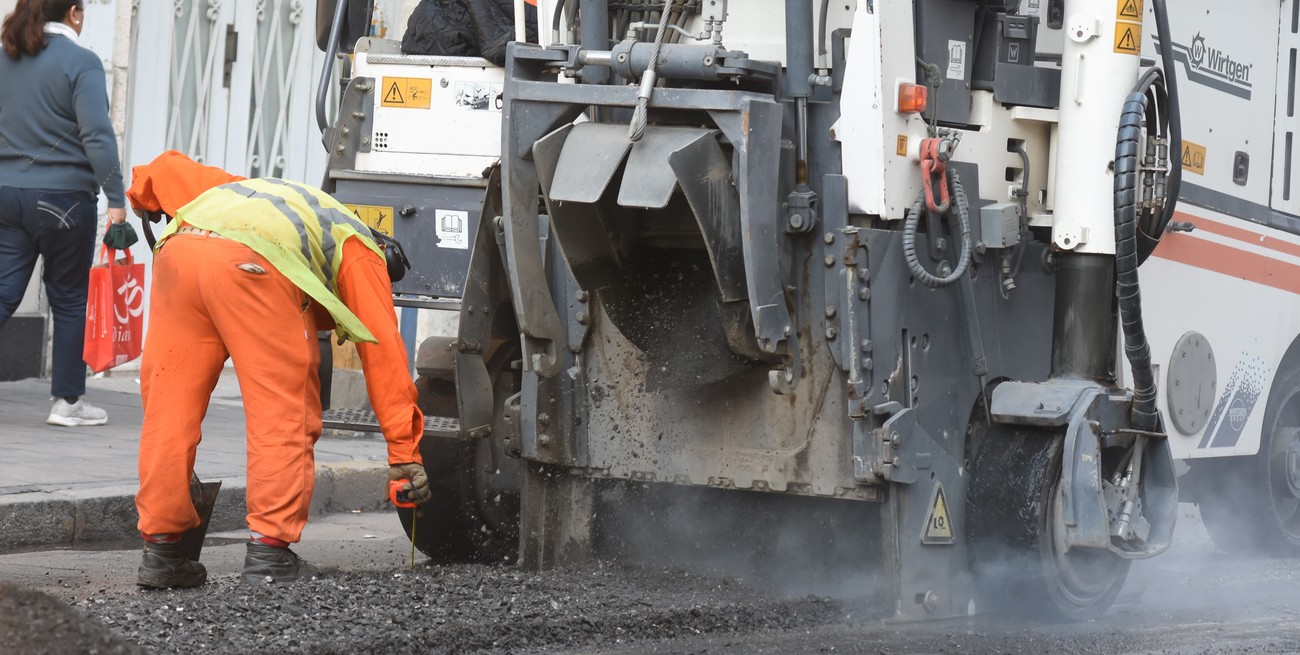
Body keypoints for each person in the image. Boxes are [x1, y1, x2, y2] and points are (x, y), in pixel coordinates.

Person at [125, 151, 432, 588]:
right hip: (252, 267)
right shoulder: (361, 251)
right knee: (283, 412)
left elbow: (161, 172)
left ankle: (163, 553)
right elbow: (384, 358)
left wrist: (141, 197)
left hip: (179, 254)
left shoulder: (266, 196)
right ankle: (269, 554)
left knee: (168, 412)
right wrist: (404, 456)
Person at [0, 0, 126, 427]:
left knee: (3, 292)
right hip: (65, 199)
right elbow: (97, 135)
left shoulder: (6, 56)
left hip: (7, 194)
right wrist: (116, 197)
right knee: (70, 299)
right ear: (74, 13)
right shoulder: (82, 63)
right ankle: (68, 402)